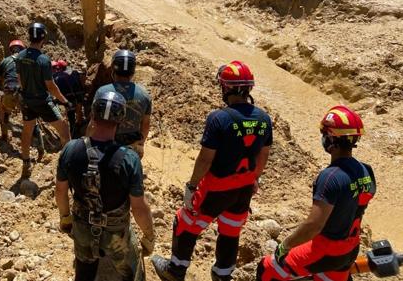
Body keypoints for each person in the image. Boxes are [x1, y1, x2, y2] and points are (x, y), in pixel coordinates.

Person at [152, 60, 273, 281]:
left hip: (216, 187)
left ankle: (175, 270)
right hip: (244, 187)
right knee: (230, 229)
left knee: (185, 222)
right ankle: (222, 275)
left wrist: (191, 185)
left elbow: (206, 158)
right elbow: (262, 156)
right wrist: (254, 179)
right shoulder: (264, 119)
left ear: (226, 87)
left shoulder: (219, 118)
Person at [256, 105, 376, 281]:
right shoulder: (366, 171)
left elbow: (314, 226)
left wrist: (285, 246)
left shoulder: (330, 177)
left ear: (331, 138)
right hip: (350, 250)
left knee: (268, 267)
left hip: (325, 250)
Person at [56, 91, 155, 281]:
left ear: (92, 116)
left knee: (84, 270)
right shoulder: (129, 158)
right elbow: (139, 207)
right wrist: (149, 235)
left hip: (83, 228)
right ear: (120, 121)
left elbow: (60, 191)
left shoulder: (70, 149)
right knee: (132, 272)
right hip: (116, 234)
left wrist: (65, 218)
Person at [16, 22, 71, 178]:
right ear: (43, 39)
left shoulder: (20, 56)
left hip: (27, 100)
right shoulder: (43, 60)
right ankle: (67, 168)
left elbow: (19, 80)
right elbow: (51, 86)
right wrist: (65, 101)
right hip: (42, 102)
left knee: (27, 131)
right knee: (65, 131)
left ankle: (26, 163)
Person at [92, 50, 151, 158]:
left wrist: (89, 143)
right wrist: (141, 144)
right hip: (132, 145)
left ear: (113, 70)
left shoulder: (102, 92)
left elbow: (93, 122)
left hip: (107, 143)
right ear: (133, 72)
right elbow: (146, 124)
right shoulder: (144, 94)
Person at [0, 39, 25, 142]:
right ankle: (38, 140)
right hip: (25, 94)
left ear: (11, 50)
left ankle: (4, 136)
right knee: (30, 118)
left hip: (10, 92)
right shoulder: (27, 61)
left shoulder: (6, 61)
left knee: (3, 111)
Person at [52, 59, 85, 137]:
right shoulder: (75, 72)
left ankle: (72, 134)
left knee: (70, 117)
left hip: (67, 99)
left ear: (59, 68)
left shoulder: (57, 77)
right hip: (78, 96)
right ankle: (78, 128)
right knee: (76, 114)